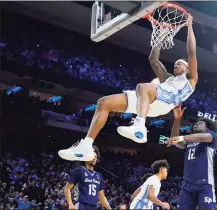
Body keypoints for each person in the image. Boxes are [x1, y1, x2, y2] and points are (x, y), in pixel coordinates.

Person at [58, 14, 198, 161]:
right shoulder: (168, 78)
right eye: (175, 63)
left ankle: (140, 125)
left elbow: (192, 52)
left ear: (187, 67)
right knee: (103, 103)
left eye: (179, 63)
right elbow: (153, 59)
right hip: (150, 99)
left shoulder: (191, 78)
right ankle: (86, 145)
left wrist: (189, 26)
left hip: (165, 101)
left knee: (143, 87)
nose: (176, 64)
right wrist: (161, 35)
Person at [165, 105, 217, 210]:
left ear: (207, 128)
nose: (197, 124)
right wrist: (177, 119)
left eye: (200, 123)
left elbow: (201, 137)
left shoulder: (211, 136)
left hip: (205, 184)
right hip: (187, 186)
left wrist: (182, 137)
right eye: (196, 123)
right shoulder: (189, 141)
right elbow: (174, 139)